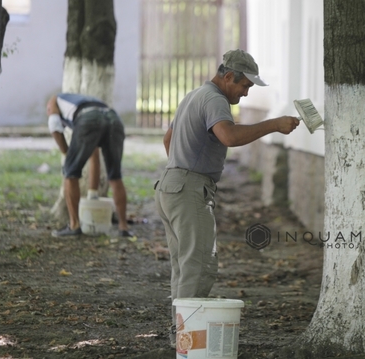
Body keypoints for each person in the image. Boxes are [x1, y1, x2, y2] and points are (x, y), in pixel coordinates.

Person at [154, 49, 300, 343]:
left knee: (183, 265)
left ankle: (180, 332)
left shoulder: (193, 96)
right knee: (199, 265)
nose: (246, 93)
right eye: (245, 85)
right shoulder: (215, 99)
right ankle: (185, 338)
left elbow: (168, 138)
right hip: (189, 189)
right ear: (228, 76)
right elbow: (229, 137)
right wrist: (274, 124)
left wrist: (181, 170)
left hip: (170, 186)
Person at [46, 93, 133, 238]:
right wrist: (93, 194)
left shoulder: (53, 101)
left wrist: (66, 155)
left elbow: (54, 125)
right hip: (114, 119)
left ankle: (74, 225)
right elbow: (94, 155)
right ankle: (123, 227)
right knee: (115, 175)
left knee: (70, 173)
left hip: (89, 119)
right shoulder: (84, 102)